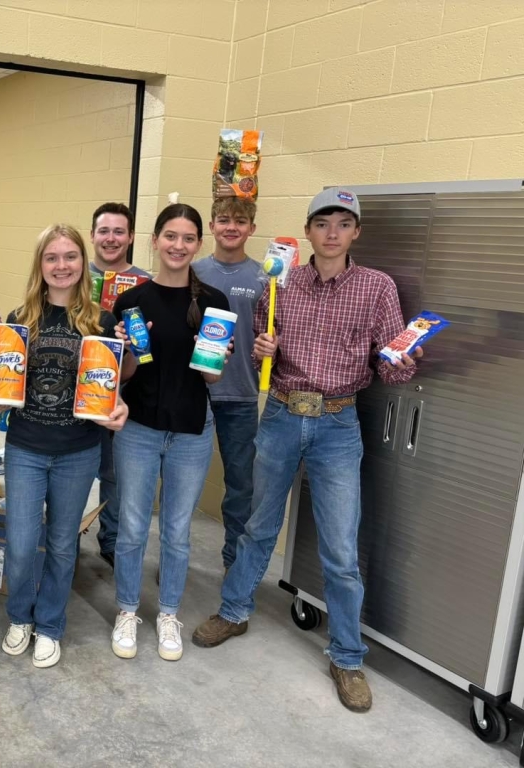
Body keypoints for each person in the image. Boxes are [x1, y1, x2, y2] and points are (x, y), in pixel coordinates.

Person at [192, 189, 423, 713]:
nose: (333, 233)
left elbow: (390, 367)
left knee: (340, 551)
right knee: (258, 526)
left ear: (356, 232)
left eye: (344, 224)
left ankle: (347, 657)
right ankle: (234, 609)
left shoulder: (377, 288)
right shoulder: (281, 282)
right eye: (323, 223)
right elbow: (261, 343)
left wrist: (406, 359)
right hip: (279, 413)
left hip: (339, 422)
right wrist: (262, 348)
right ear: (309, 230)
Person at [0, 224, 129, 668]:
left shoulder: (102, 322)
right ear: (40, 266)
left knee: (61, 544)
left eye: (70, 256)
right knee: (19, 543)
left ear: (83, 263)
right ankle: (20, 616)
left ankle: (50, 624)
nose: (61, 265)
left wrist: (119, 401)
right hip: (26, 448)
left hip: (78, 449)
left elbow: (109, 388)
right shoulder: (18, 321)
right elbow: (2, 384)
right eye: (52, 257)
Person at [109, 203, 231, 662]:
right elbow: (121, 377)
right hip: (138, 429)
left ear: (198, 245)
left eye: (188, 238)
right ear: (155, 241)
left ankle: (167, 615)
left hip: (191, 432)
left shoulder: (214, 302)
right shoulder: (131, 302)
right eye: (170, 236)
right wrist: (122, 349)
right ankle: (126, 611)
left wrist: (215, 356)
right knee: (133, 528)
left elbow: (212, 379)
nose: (178, 246)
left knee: (178, 532)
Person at [192, 197, 263, 571]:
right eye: (223, 220)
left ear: (251, 228)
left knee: (240, 486)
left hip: (242, 396)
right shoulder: (193, 272)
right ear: (212, 226)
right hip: (195, 393)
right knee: (184, 484)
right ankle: (175, 557)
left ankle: (234, 562)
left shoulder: (264, 279)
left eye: (240, 221)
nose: (231, 227)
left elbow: (273, 333)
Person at [89, 202, 151, 570]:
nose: (110, 239)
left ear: (130, 237)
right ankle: (64, 534)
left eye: (118, 232)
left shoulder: (144, 283)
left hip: (129, 388)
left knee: (116, 472)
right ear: (93, 235)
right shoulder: (75, 276)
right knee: (77, 466)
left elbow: (149, 349)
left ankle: (111, 540)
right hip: (80, 386)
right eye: (103, 231)